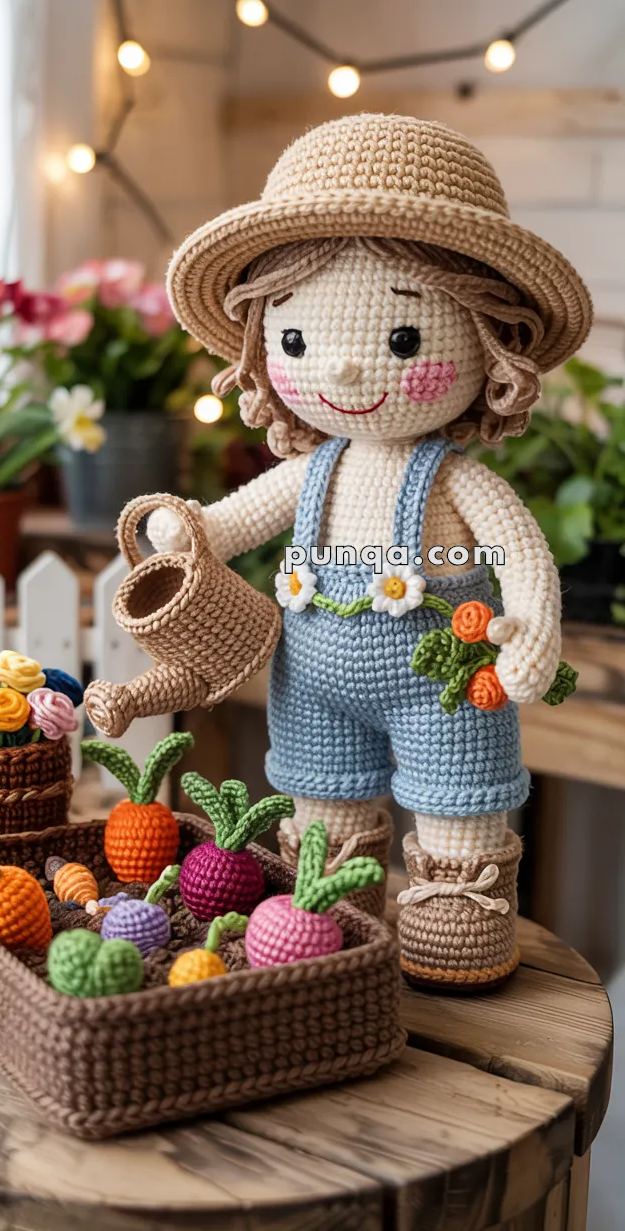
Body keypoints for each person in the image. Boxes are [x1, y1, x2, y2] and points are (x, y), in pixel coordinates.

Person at [150, 113, 591, 989]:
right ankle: (328, 914)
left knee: (461, 801)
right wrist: (190, 529)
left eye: (401, 339)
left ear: (487, 341)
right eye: (300, 342)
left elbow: (520, 549)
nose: (344, 375)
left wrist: (533, 623)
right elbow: (233, 518)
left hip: (446, 675)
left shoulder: (454, 482)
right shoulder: (311, 471)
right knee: (321, 811)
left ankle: (457, 909)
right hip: (313, 682)